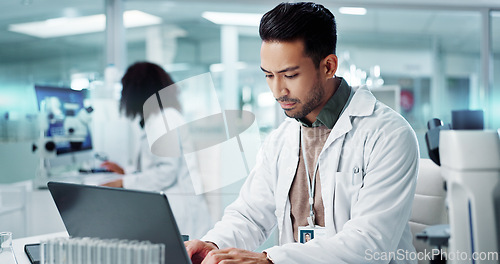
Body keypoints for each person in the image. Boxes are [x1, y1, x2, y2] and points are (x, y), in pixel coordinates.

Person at [185, 2, 419, 264]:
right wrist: (212, 244)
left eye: (290, 75)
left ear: (329, 66)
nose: (277, 91)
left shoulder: (388, 135)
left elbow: (369, 244)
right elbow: (249, 215)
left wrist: (270, 260)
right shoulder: (280, 139)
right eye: (269, 76)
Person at [100, 61, 212, 240]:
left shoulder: (164, 119)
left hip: (180, 212)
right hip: (173, 207)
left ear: (137, 90)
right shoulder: (156, 119)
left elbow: (166, 172)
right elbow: (156, 165)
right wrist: (126, 172)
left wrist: (124, 182)